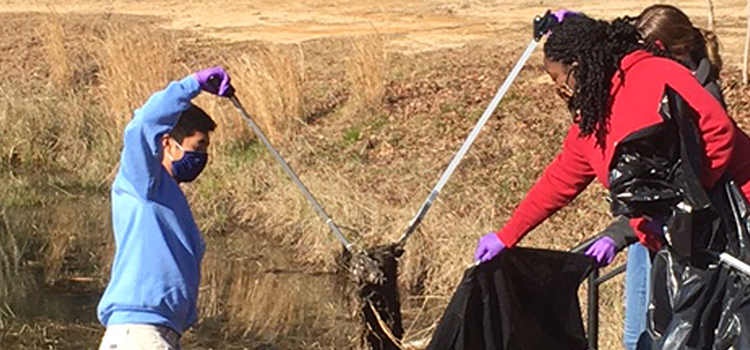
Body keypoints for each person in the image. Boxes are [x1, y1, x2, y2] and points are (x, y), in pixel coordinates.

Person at [473, 8, 750, 343]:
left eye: (557, 79)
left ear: (577, 69)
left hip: (732, 230)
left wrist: (688, 204)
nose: (558, 89)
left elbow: (718, 131)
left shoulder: (654, 73)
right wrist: (507, 236)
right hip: (675, 246)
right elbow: (560, 180)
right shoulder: (592, 120)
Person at [584, 5, 750, 349]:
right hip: (659, 230)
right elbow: (652, 181)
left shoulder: (694, 99)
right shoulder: (659, 90)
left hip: (711, 234)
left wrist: (677, 209)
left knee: (688, 334)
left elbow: (687, 181)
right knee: (640, 333)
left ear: (670, 51)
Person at [97, 67, 233, 350]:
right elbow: (142, 125)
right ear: (168, 143)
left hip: (159, 334)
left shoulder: (172, 198)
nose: (202, 156)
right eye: (198, 146)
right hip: (138, 334)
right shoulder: (143, 183)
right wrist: (191, 86)